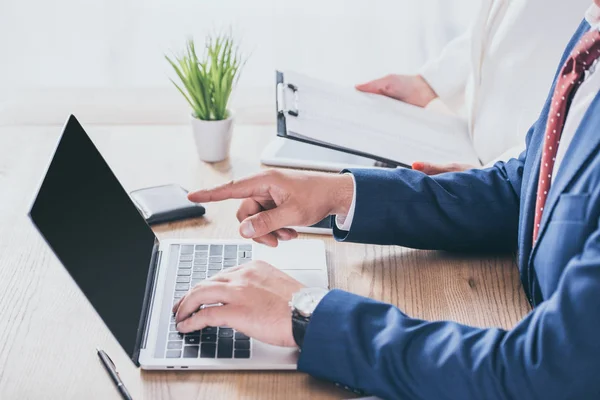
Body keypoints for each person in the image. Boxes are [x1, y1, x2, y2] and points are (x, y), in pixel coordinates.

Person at [173, 4, 600, 399]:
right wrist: (338, 194)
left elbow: (544, 370)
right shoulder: (592, 32)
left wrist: (308, 313)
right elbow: (524, 186)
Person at [356, 0, 589, 176]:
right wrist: (430, 84)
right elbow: (499, 25)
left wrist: (495, 175)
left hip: (520, 175)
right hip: (481, 159)